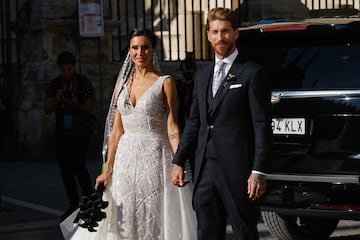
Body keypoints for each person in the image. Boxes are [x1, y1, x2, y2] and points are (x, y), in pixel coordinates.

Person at [69, 28, 196, 239]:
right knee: (123, 215)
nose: (140, 52)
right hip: (125, 161)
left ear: (153, 50)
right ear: (129, 50)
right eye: (135, 47)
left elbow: (173, 126)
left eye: (145, 47)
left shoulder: (165, 82)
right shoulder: (122, 84)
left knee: (152, 214)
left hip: (155, 158)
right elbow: (116, 130)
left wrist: (178, 162)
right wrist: (107, 169)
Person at [172, 7, 273, 240]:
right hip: (204, 167)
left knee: (243, 231)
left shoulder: (252, 73)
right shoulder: (202, 75)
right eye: (215, 32)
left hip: (238, 168)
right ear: (208, 35)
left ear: (236, 33)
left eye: (226, 31)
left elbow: (261, 125)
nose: (220, 38)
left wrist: (258, 171)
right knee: (206, 231)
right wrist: (178, 161)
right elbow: (194, 122)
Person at [44, 51, 96, 220]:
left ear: (74, 67)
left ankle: (90, 201)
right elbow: (47, 109)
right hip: (62, 131)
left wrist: (76, 104)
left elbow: (90, 108)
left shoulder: (83, 83)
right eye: (63, 70)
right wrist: (56, 99)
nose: (66, 73)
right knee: (65, 169)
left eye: (69, 69)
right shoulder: (55, 84)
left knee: (79, 166)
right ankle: (73, 203)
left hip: (80, 130)